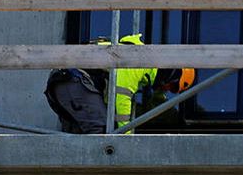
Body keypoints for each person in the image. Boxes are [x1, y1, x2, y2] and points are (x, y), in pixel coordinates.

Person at [44, 32, 195, 133]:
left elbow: (152, 101)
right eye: (173, 86)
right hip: (74, 81)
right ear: (171, 73)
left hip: (68, 83)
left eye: (174, 90)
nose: (168, 89)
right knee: (101, 131)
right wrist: (126, 138)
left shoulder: (147, 69)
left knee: (78, 134)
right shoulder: (139, 62)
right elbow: (121, 100)